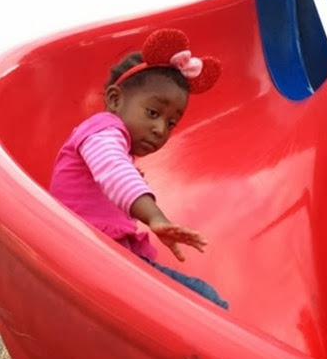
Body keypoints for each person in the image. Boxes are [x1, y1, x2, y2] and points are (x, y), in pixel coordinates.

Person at [50, 28, 228, 309]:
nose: (160, 129)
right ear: (115, 99)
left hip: (102, 256)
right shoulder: (101, 131)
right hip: (90, 254)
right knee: (206, 301)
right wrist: (154, 217)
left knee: (200, 299)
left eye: (171, 123)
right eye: (153, 113)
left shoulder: (112, 143)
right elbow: (114, 170)